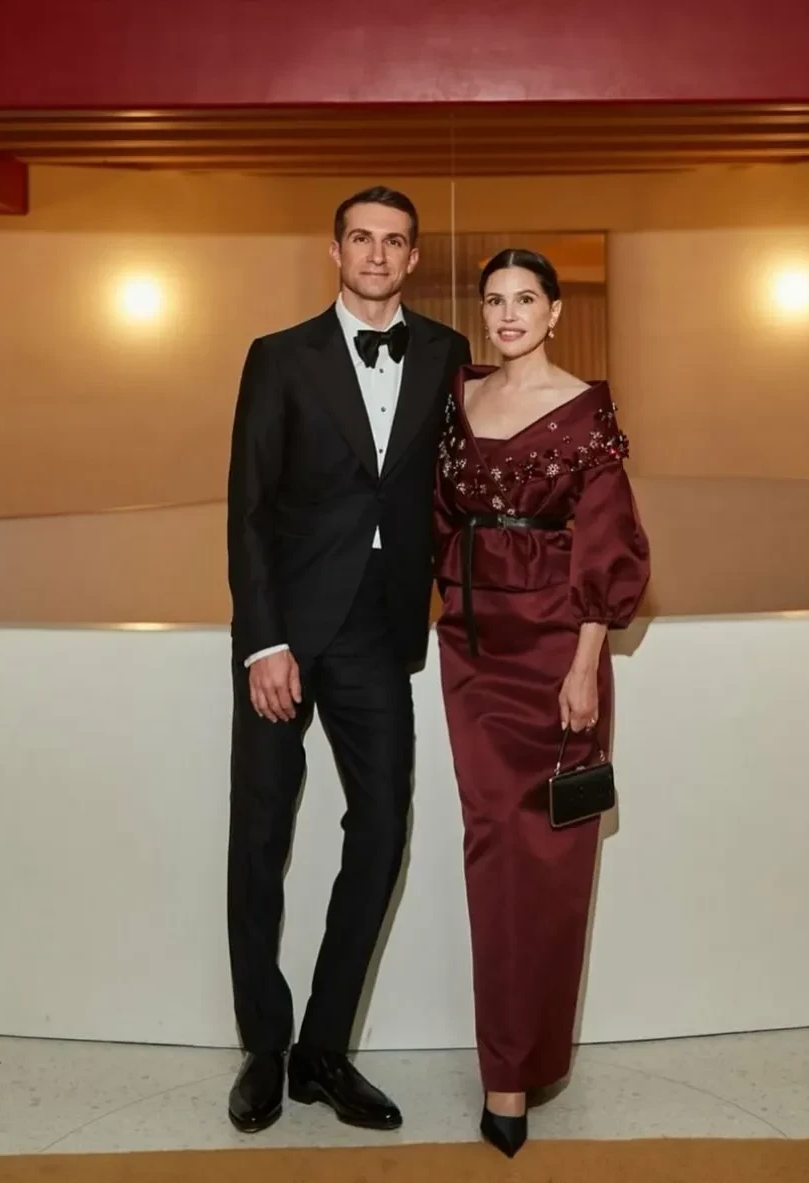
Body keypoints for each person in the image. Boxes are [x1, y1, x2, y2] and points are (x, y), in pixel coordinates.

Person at [225, 186, 471, 1134]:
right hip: (286, 629)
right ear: (335, 251)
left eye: (394, 241)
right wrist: (264, 639)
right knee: (260, 835)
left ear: (413, 258)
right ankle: (263, 1043)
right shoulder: (279, 356)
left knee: (381, 829)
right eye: (361, 238)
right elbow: (249, 504)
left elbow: (460, 483)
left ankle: (323, 1050)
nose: (377, 254)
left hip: (379, 626)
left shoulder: (446, 353)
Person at [433, 249, 650, 1157]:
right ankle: (505, 1069)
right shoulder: (458, 397)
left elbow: (608, 541)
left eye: (527, 298)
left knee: (553, 859)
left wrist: (584, 665)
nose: (509, 313)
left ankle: (525, 1062)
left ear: (556, 311)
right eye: (495, 299)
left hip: (558, 648)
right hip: (472, 649)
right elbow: (433, 518)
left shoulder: (586, 410)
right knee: (493, 846)